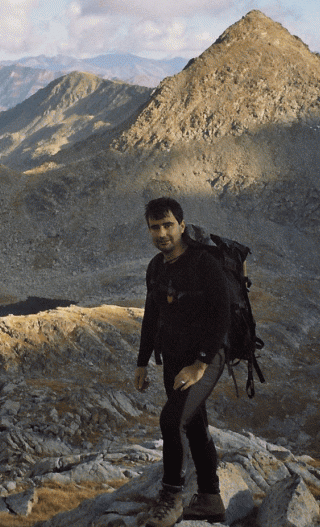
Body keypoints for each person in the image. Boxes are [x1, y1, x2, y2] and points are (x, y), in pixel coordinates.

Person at [135, 197, 230, 527]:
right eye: (154, 227)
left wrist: (201, 363)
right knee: (192, 423)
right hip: (173, 360)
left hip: (204, 360)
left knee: (171, 420)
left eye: (167, 225)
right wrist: (141, 362)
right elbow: (152, 316)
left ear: (181, 226)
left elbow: (222, 314)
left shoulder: (204, 263)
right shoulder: (155, 267)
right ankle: (210, 498)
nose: (162, 233)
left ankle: (171, 497)